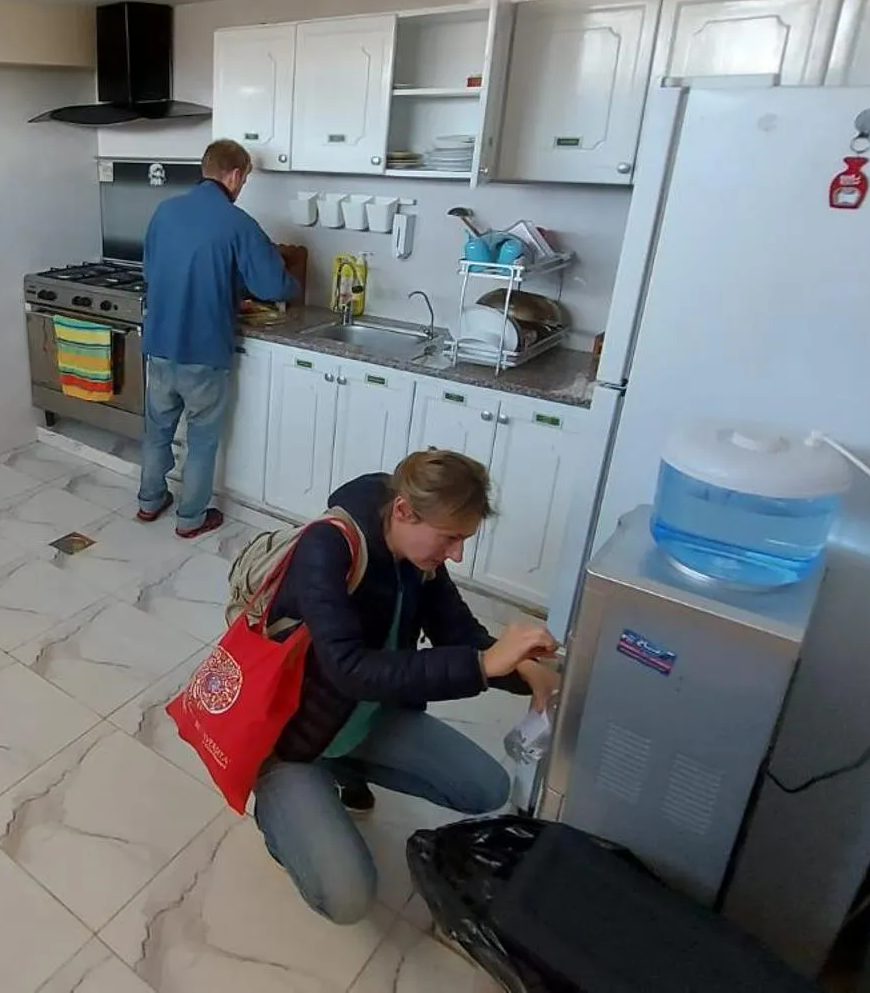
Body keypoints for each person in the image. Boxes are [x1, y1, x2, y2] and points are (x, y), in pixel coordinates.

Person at [254, 449, 561, 925]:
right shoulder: (327, 548)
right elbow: (349, 669)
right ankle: (279, 813)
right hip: (294, 739)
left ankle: (345, 763)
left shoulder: (419, 557)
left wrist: (523, 668)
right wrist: (482, 664)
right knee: (348, 898)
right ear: (403, 512)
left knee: (486, 787)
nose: (456, 553)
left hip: (360, 714)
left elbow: (457, 633)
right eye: (451, 538)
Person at [138, 139, 299, 538]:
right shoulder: (236, 222)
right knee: (202, 440)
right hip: (203, 351)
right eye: (243, 179)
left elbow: (152, 271)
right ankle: (191, 518)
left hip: (158, 344)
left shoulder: (164, 212)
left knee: (157, 430)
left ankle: (149, 500)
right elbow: (274, 285)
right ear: (235, 174)